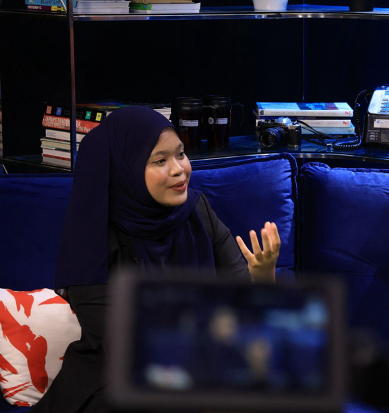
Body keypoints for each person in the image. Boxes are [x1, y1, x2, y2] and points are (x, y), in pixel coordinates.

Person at [29, 106, 281, 413]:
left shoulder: (197, 211)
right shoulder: (92, 240)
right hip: (119, 382)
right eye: (160, 161)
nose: (179, 169)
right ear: (125, 170)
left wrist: (263, 278)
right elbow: (126, 346)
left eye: (181, 154)